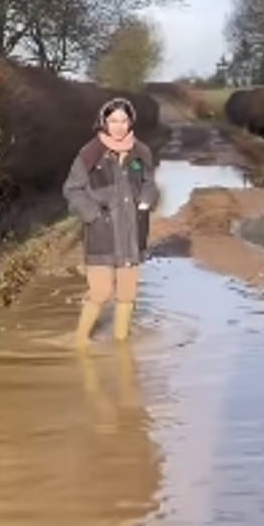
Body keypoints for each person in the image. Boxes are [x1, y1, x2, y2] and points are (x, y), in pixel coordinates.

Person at [63, 97, 159, 346]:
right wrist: (92, 214)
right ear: (104, 122)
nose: (118, 126)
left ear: (130, 122)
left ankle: (120, 345)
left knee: (127, 294)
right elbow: (72, 190)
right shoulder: (89, 153)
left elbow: (149, 183)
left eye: (123, 120)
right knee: (100, 292)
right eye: (113, 120)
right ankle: (80, 341)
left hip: (132, 233)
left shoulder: (141, 151)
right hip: (102, 233)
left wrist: (147, 201)